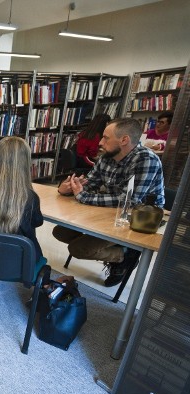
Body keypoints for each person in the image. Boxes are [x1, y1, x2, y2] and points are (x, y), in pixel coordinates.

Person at [53, 117, 164, 286]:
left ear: (124, 140)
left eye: (106, 138)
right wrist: (67, 189)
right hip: (110, 212)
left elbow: (132, 201)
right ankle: (115, 249)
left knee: (78, 249)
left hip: (137, 220)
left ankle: (124, 257)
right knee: (60, 231)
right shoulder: (107, 157)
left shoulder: (146, 160)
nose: (100, 142)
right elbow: (89, 183)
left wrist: (84, 196)